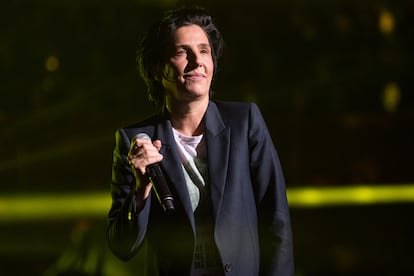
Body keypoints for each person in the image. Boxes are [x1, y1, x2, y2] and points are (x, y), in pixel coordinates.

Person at [107, 6, 294, 276]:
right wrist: (141, 189)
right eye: (183, 52)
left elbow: (276, 220)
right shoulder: (135, 141)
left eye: (204, 51)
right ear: (157, 69)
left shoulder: (245, 122)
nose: (197, 61)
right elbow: (121, 246)